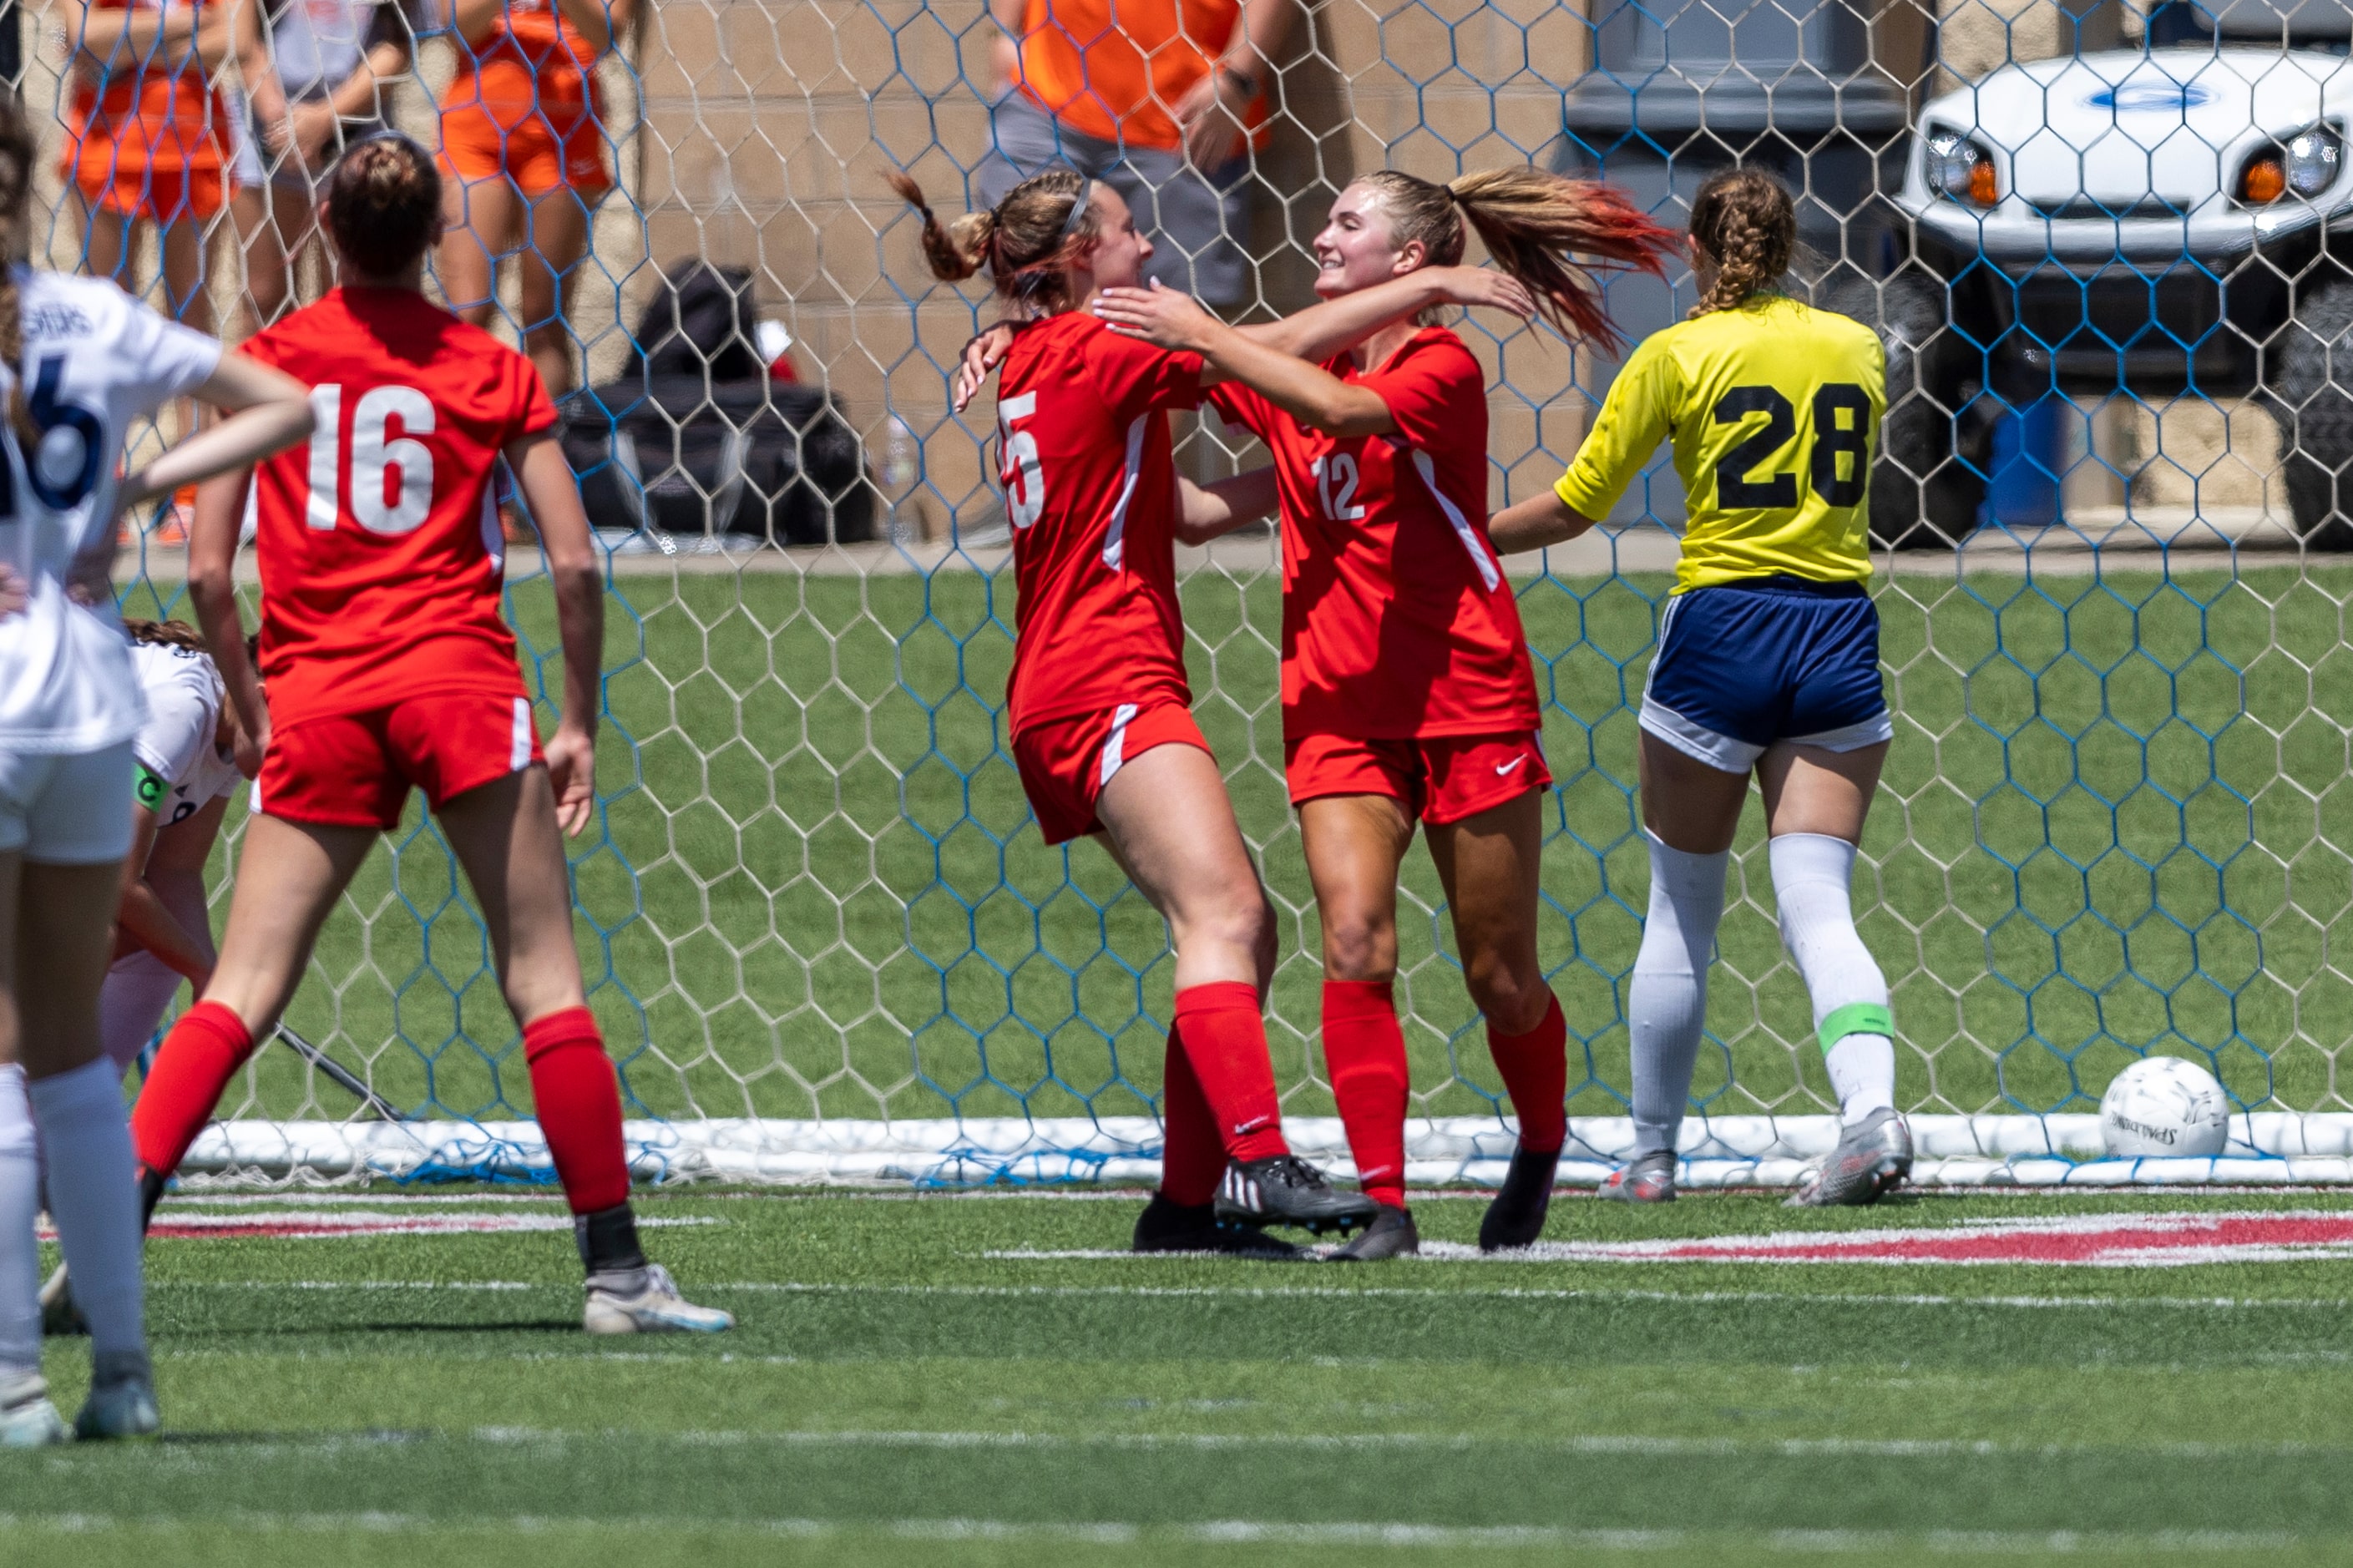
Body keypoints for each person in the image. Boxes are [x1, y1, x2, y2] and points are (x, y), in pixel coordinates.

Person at [124, 132, 733, 1333]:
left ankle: (97, 1251)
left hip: (323, 694)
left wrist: (250, 703)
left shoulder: (265, 361)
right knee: (543, 981)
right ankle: (616, 1275)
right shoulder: (491, 367)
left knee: (240, 988)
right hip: (461, 684)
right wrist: (575, 721)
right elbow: (569, 560)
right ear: (436, 229)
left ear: (328, 232)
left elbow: (202, 568)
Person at [896, 165, 1535, 1252]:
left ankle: (1183, 1205)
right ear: (1076, 263)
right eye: (1126, 232)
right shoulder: (1101, 346)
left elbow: (1195, 501)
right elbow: (1277, 349)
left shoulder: (1049, 357)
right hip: (1099, 680)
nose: (1147, 248)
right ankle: (1258, 1161)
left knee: (1247, 934)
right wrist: (1445, 289)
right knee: (1227, 919)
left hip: (1073, 684)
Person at [1080, 167, 1677, 1257]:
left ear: (1405, 263)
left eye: (1345, 221)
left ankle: (1541, 1141)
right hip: (1336, 706)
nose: (1319, 229)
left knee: (1499, 975)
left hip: (1466, 698)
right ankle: (1385, 1203)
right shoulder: (1297, 359)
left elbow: (1336, 407)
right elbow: (1196, 469)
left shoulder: (1436, 364)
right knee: (1352, 940)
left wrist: (1206, 336)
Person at [1484, 168, 1905, 1208]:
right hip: (1836, 632)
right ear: (1794, 246)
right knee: (1818, 902)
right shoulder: (1855, 346)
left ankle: (1652, 1157)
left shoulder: (1671, 356)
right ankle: (1870, 1116)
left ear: (1695, 251)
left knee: (1680, 911)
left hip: (1719, 631)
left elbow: (1578, 505)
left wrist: (1462, 541)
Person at [0, 86, 316, 1445]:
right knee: (67, 1055)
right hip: (87, 693)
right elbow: (280, 403)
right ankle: (120, 1375)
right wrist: (135, 490)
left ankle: (15, 1378)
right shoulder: (88, 315)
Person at [982, 0, 1287, 313]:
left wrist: (1236, 80)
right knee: (1032, 300)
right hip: (1042, 99)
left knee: (1166, 320)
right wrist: (1003, 35)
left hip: (1183, 125)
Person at [436, 0, 638, 397]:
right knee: (467, 312)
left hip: (562, 132)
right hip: (476, 129)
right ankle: (459, 441)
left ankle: (545, 445)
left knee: (542, 316)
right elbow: (454, 28)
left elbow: (607, 36)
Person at [229, 0, 426, 329]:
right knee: (262, 297)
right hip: (266, 130)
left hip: (359, 127)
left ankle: (339, 380)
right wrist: (281, 123)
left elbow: (399, 42)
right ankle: (271, 380)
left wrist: (324, 121)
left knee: (346, 298)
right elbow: (243, 40)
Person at [63, 0, 239, 330]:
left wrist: (122, 49)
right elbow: (81, 33)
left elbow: (237, 42)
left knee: (190, 318)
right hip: (106, 144)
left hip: (193, 147)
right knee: (110, 314)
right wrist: (196, 20)